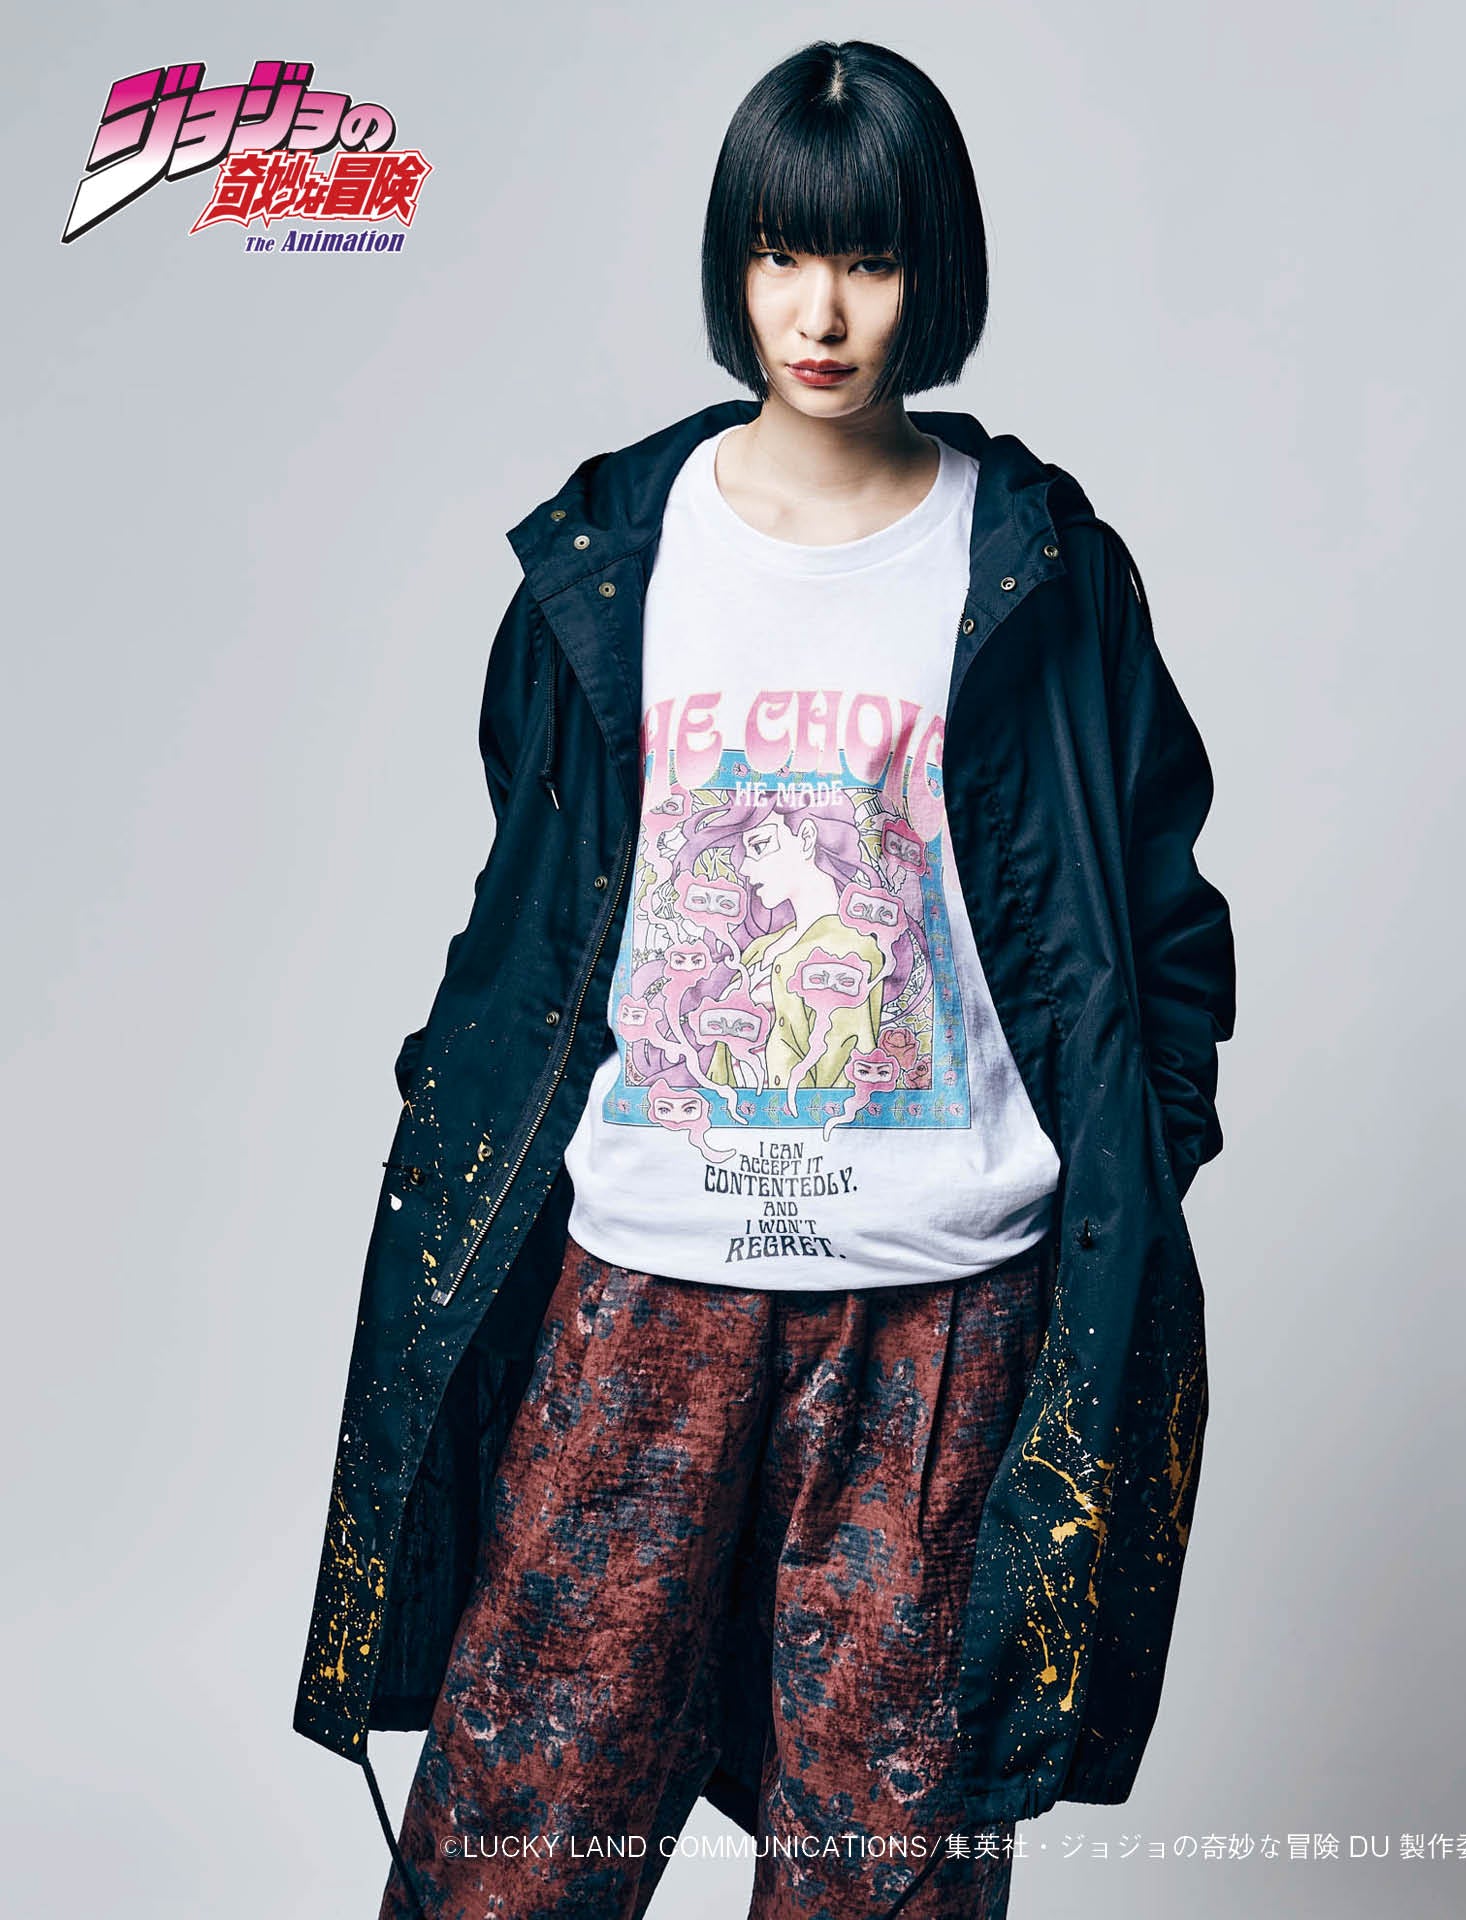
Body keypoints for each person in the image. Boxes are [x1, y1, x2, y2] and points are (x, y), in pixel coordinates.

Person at [293, 37, 1236, 1920]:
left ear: (932, 273)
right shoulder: (610, 559)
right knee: (512, 1855)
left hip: (940, 1314)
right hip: (646, 1290)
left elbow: (1162, 928)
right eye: (783, 254)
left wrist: (1132, 1164)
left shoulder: (1039, 567)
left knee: (883, 1879)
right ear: (732, 264)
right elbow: (533, 920)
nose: (821, 311)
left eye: (870, 260)